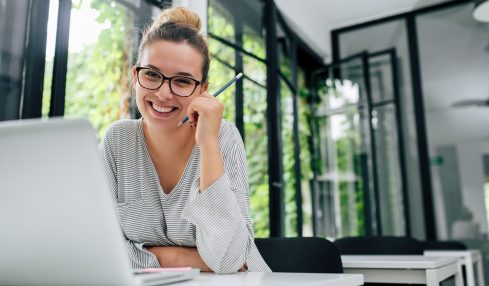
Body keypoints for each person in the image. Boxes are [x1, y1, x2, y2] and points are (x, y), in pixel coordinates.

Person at [102, 6, 271, 274]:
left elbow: (228, 259)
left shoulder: (223, 137)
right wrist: (186, 260)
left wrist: (208, 144)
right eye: (152, 74)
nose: (163, 93)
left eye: (182, 81)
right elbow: (101, 248)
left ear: (202, 90)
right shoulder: (117, 140)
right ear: (136, 76)